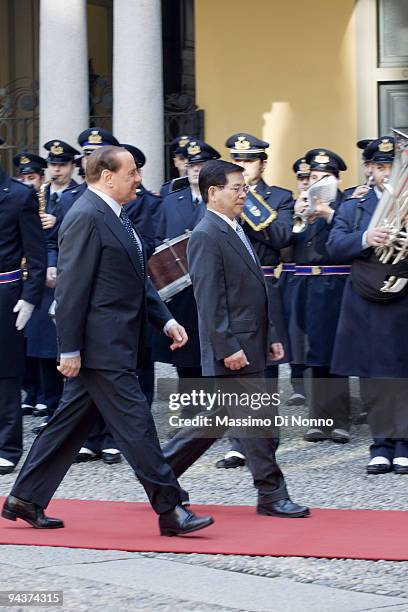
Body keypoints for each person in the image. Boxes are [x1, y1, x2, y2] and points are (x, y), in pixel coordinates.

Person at [2, 146, 214, 537]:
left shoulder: (115, 214)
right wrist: (69, 349)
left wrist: (164, 319)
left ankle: (25, 497)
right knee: (137, 427)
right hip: (101, 348)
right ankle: (171, 508)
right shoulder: (86, 215)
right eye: (132, 172)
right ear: (107, 176)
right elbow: (71, 289)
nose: (138, 178)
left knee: (67, 424)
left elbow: (136, 278)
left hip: (117, 342)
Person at [163, 159, 309, 518]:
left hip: (252, 339)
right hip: (235, 346)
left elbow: (254, 289)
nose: (244, 194)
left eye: (244, 187)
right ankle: (272, 494)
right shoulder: (206, 234)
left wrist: (271, 334)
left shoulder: (233, 226)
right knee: (257, 419)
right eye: (237, 188)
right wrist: (228, 347)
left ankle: (158, 473)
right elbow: (209, 300)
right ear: (213, 193)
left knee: (217, 418)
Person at [328, 136, 408, 475]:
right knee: (372, 375)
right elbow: (333, 247)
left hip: (403, 294)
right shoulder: (352, 206)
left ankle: (404, 444)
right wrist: (366, 238)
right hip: (365, 296)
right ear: (370, 170)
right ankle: (380, 444)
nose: (386, 174)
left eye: (392, 167)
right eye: (380, 168)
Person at [215, 132, 294, 469]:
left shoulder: (280, 197)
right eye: (238, 161)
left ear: (263, 163)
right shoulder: (220, 195)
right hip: (231, 286)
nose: (244, 167)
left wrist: (248, 204)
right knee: (234, 364)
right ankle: (237, 441)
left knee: (265, 367)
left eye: (249, 161)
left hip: (263, 282)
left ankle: (265, 439)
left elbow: (282, 237)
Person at [287, 148, 351, 443]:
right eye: (313, 177)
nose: (318, 182)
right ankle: (318, 418)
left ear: (336, 180)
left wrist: (329, 215)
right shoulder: (299, 205)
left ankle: (340, 420)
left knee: (336, 353)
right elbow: (286, 242)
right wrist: (298, 214)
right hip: (306, 286)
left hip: (335, 285)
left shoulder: (348, 206)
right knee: (313, 353)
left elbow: (349, 239)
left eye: (325, 177)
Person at [153, 140, 221, 418]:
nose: (195, 170)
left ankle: (213, 403)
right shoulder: (170, 200)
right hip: (179, 288)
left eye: (201, 166)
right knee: (183, 347)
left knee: (212, 344)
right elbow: (157, 238)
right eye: (192, 165)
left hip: (211, 284)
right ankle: (191, 403)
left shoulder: (219, 199)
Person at [0, 139, 47, 475]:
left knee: (5, 373)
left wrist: (30, 298)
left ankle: (7, 446)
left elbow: (37, 252)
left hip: (5, 290)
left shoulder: (18, 195)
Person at [280, 157, 311, 407]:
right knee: (293, 332)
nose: (304, 183)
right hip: (290, 273)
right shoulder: (289, 205)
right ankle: (297, 383)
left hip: (309, 273)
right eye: (300, 179)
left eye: (307, 178)